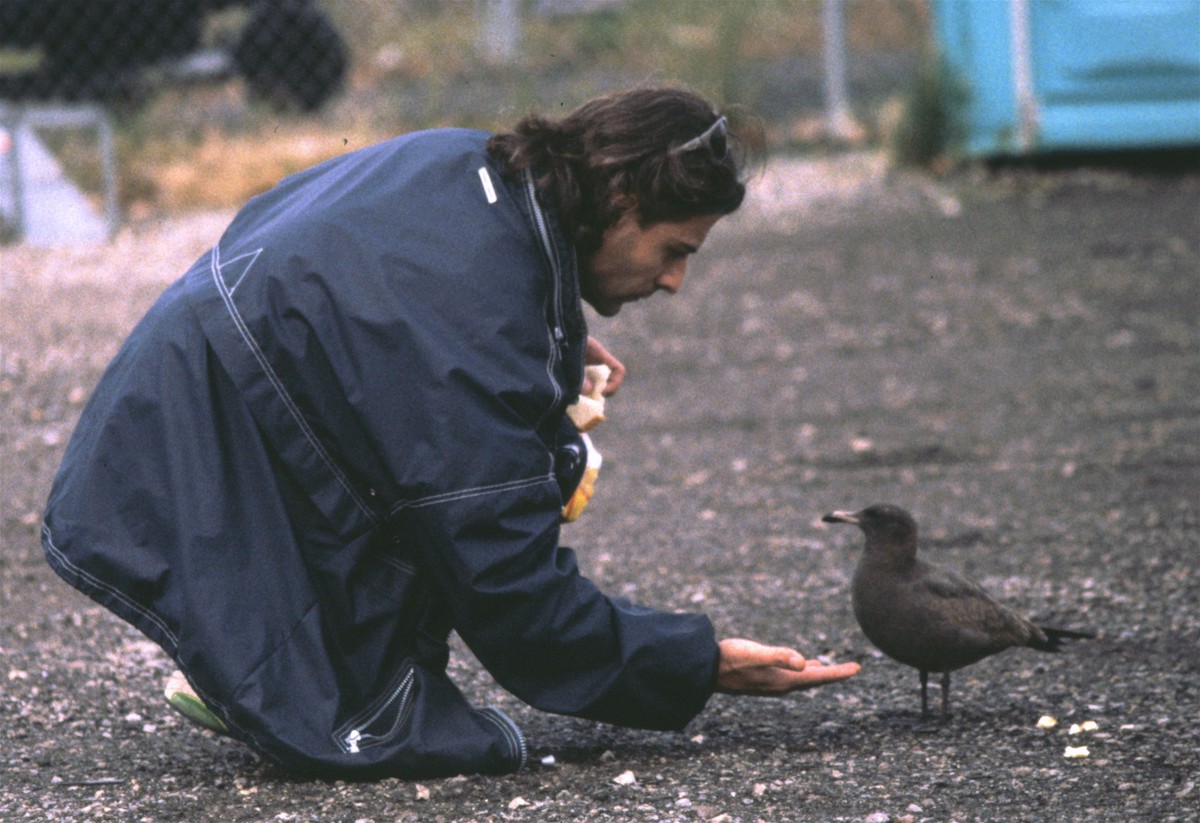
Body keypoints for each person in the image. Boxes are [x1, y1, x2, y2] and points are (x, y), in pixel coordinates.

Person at [41, 86, 859, 779]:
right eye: (674, 249)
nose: (676, 281)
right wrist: (698, 662)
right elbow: (515, 599)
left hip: (171, 407)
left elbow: (385, 305)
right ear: (621, 200)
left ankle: (257, 650)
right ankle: (260, 663)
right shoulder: (480, 317)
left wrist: (549, 337)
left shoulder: (479, 168)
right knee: (384, 717)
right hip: (187, 452)